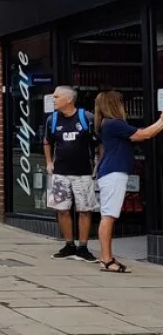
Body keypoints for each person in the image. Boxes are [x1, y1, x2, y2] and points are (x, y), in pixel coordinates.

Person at [94, 91, 163, 273]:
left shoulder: (107, 124)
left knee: (108, 215)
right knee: (109, 216)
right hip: (114, 172)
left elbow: (136, 136)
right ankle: (106, 259)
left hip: (111, 172)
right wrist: (161, 121)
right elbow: (144, 134)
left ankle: (106, 258)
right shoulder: (114, 123)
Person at [43, 86, 99, 262]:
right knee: (62, 209)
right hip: (60, 172)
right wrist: (49, 162)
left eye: (56, 97)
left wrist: (98, 163)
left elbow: (99, 143)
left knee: (85, 209)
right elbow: (47, 142)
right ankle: (69, 245)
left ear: (69, 99)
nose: (53, 99)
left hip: (83, 172)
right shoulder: (52, 120)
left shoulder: (87, 118)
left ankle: (83, 247)